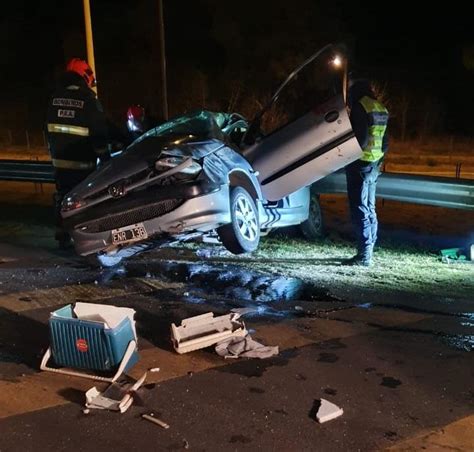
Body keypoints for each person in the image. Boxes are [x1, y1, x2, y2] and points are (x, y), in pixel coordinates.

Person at [46, 58, 109, 249]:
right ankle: (85, 236)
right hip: (83, 163)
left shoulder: (54, 98)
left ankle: (62, 233)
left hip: (59, 162)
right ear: (85, 77)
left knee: (63, 195)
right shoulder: (88, 100)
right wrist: (104, 157)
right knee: (83, 198)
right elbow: (99, 132)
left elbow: (47, 130)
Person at [344, 74, 389, 266]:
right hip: (374, 165)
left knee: (359, 209)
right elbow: (386, 142)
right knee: (370, 207)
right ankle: (369, 249)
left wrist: (348, 155)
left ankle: (364, 255)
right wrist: (377, 159)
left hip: (360, 164)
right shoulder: (380, 108)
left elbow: (360, 140)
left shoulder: (360, 107)